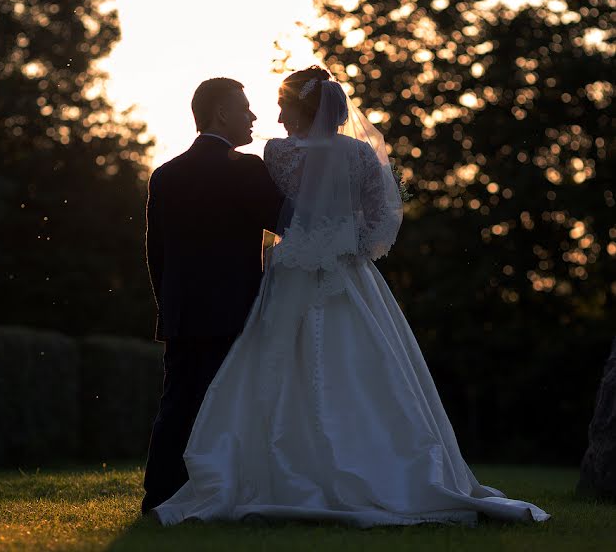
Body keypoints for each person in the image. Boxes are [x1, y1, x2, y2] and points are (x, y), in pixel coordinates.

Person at [150, 66, 551, 527]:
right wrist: (346, 245)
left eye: (279, 106)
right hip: (345, 275)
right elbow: (380, 221)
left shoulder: (264, 157)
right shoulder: (356, 155)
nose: (268, 117)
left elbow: (274, 222)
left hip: (276, 282)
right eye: (250, 109)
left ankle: (175, 488)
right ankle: (384, 470)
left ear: (300, 107)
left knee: (235, 385)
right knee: (366, 371)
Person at [140, 78, 284, 514]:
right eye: (245, 108)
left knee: (178, 404)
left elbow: (156, 255)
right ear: (221, 113)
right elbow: (289, 221)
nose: (254, 117)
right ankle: (231, 492)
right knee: (238, 408)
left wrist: (171, 307)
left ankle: (159, 495)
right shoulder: (246, 169)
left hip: (183, 314)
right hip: (236, 313)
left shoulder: (165, 174)